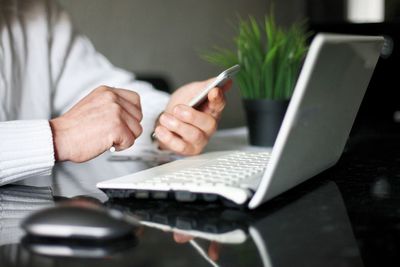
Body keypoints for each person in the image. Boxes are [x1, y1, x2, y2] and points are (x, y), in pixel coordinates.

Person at [0, 0, 231, 196]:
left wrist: (167, 121)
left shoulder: (37, 11)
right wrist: (58, 136)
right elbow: (74, 129)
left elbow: (103, 94)